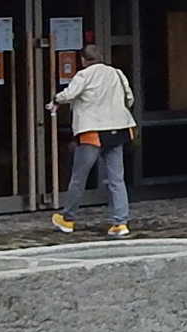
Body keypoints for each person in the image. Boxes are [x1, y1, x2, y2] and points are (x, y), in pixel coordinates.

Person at [47, 53, 136, 236]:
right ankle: (120, 222)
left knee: (79, 177)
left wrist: (56, 100)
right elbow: (130, 98)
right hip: (118, 130)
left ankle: (67, 219)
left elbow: (69, 94)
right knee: (117, 179)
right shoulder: (117, 73)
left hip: (92, 131)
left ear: (83, 60)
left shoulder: (84, 75)